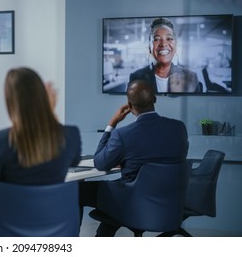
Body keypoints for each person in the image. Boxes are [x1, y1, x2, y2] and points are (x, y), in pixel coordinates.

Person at [79, 79, 189, 236]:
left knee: (75, 191)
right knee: (114, 197)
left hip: (132, 199)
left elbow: (100, 163)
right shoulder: (179, 128)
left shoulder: (123, 135)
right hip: (169, 198)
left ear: (129, 107)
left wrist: (112, 124)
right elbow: (174, 159)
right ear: (155, 99)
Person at [0, 67, 82, 205]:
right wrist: (49, 113)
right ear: (43, 96)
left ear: (11, 102)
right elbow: (74, 161)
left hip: (7, 225)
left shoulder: (3, 140)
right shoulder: (71, 135)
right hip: (53, 223)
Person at [129, 17, 200, 93]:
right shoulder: (136, 78)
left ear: (175, 47)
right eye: (156, 39)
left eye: (169, 38)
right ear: (150, 47)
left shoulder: (190, 78)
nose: (163, 44)